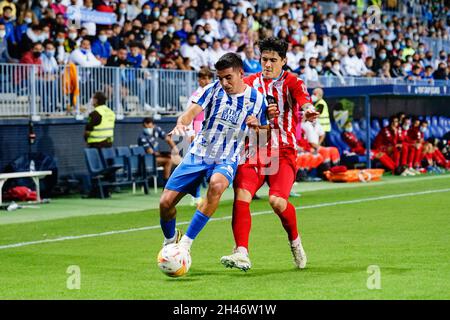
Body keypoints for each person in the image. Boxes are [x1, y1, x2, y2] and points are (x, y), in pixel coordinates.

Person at [158, 53, 268, 264]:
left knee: (217, 186)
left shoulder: (257, 100)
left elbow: (263, 137)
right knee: (165, 203)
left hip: (226, 157)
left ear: (240, 73)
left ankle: (186, 245)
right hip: (199, 154)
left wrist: (258, 127)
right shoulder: (213, 90)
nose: (224, 83)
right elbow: (189, 113)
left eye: (228, 77)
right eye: (220, 78)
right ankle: (171, 240)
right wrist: (182, 122)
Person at [220, 37, 319, 271]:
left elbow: (304, 101)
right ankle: (241, 251)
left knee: (276, 201)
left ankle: (295, 241)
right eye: (264, 59)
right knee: (242, 196)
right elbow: (235, 106)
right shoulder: (250, 82)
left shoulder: (293, 81)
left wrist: (309, 109)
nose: (268, 64)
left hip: (283, 151)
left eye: (273, 60)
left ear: (283, 61)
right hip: (254, 149)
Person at [138, 117, 178, 186]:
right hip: (148, 159)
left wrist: (174, 148)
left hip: (157, 157)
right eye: (148, 127)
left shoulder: (156, 129)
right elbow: (150, 152)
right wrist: (163, 154)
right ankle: (166, 184)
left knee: (172, 160)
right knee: (169, 160)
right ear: (144, 125)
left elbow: (167, 139)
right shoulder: (142, 137)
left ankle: (168, 183)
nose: (150, 128)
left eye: (151, 126)